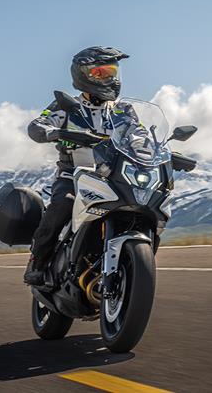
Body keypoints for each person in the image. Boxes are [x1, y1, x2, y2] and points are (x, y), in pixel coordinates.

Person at [23, 46, 129, 285]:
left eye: (112, 73)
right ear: (83, 75)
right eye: (100, 73)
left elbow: (141, 134)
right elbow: (37, 124)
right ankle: (38, 262)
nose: (109, 79)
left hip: (113, 175)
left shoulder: (123, 111)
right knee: (62, 205)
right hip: (73, 174)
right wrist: (51, 132)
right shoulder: (66, 106)